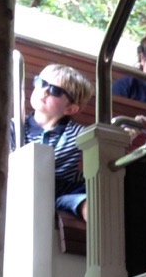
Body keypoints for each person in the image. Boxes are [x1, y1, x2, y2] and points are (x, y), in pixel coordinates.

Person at [13, 63, 94, 221]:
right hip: (20, 190)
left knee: (90, 204)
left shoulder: (78, 134)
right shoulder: (15, 126)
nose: (44, 91)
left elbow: (101, 145)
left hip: (60, 193)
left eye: (55, 91)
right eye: (41, 83)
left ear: (70, 109)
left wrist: (129, 132)